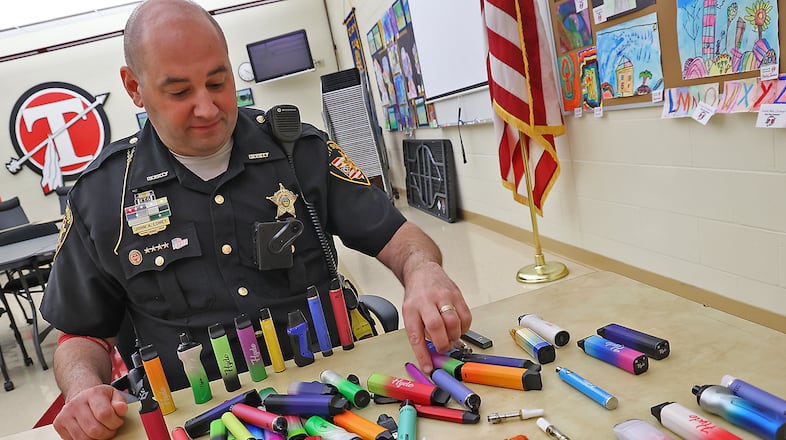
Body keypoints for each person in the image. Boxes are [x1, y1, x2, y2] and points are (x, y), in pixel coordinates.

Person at [40, 1, 471, 439]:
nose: (207, 108)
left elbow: (399, 236)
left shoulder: (298, 150)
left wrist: (423, 271)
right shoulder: (101, 195)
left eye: (217, 81)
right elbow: (80, 335)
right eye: (179, 92)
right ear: (134, 87)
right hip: (195, 419)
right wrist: (83, 391)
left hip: (334, 398)